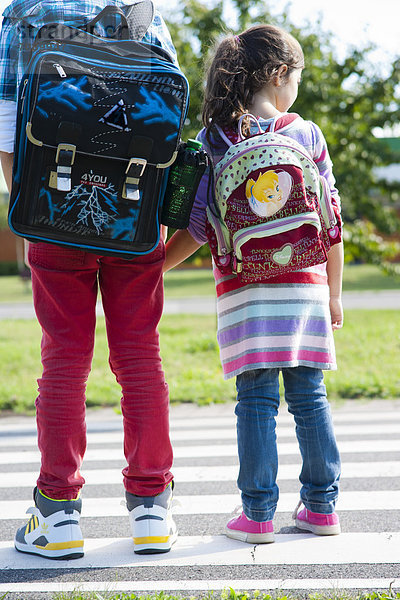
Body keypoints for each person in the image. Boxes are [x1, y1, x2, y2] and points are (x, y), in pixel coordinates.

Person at [0, 0, 178, 559]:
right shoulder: (141, 11)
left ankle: (57, 515)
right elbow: (166, 126)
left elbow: (8, 136)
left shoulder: (23, 14)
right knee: (140, 357)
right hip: (135, 217)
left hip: (53, 215)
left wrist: (33, 210)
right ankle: (152, 509)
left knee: (64, 360)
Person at [164, 24, 343, 544]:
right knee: (310, 397)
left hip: (244, 294)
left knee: (257, 402)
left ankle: (258, 514)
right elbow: (332, 219)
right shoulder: (306, 134)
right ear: (280, 75)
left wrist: (154, 270)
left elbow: (196, 227)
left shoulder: (213, 141)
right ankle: (322, 507)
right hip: (306, 290)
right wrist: (333, 292)